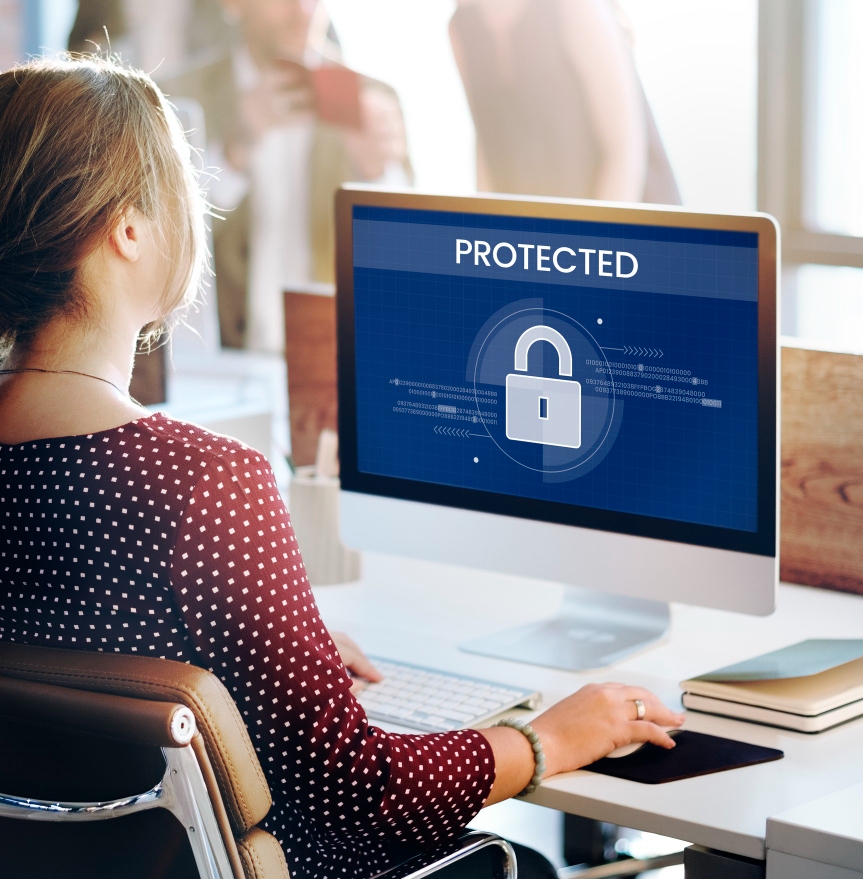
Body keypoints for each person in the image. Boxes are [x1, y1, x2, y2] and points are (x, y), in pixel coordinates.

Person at [0, 57, 684, 879]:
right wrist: (548, 740)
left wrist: (273, 642)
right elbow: (358, 792)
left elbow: (74, 642)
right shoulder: (204, 486)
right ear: (129, 229)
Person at [162, 0, 410, 353]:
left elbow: (405, 263)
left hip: (332, 356)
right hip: (216, 360)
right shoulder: (176, 96)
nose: (304, 11)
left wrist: (376, 174)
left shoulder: (374, 98)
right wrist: (233, 155)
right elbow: (159, 246)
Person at [450, 0, 680, 205]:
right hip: (545, 232)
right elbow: (489, 144)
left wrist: (588, 243)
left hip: (625, 219)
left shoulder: (575, 6)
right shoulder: (461, 28)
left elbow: (625, 151)